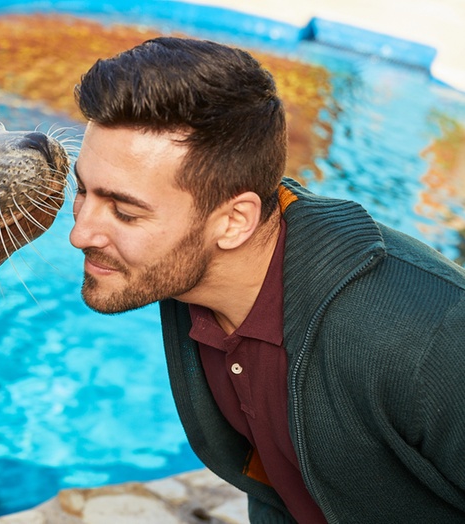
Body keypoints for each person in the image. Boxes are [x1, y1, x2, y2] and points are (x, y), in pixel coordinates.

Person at [68, 36, 465, 523]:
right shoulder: (190, 282)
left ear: (234, 221)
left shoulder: (429, 335)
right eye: (82, 190)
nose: (80, 233)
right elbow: (279, 482)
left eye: (125, 212)